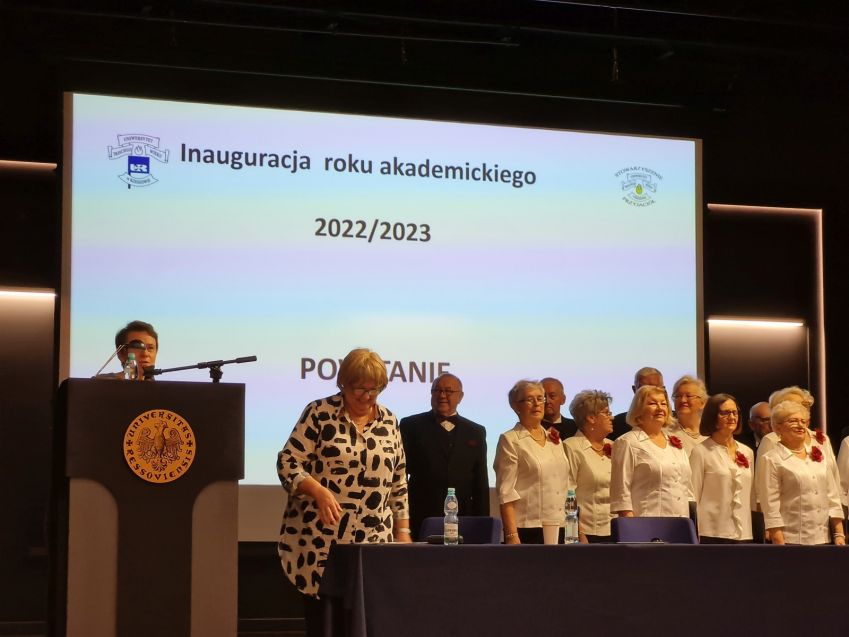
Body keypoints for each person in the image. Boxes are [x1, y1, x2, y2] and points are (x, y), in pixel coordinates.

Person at [276, 348, 410, 636]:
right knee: (328, 626)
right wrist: (318, 491)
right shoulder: (319, 413)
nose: (365, 396)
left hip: (374, 545)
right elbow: (288, 462)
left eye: (373, 390)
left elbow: (398, 481)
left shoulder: (389, 421)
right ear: (343, 383)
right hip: (323, 546)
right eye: (358, 388)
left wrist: (403, 532)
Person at [399, 373, 489, 541]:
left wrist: (483, 526)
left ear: (460, 396)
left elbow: (481, 482)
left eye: (448, 391)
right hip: (420, 516)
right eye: (437, 390)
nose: (442, 395)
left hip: (463, 519)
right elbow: (400, 475)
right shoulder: (410, 426)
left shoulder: (475, 431)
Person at [756, 400, 844, 545]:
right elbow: (771, 507)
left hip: (824, 539)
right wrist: (779, 542)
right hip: (791, 541)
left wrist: (839, 534)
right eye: (793, 421)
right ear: (778, 427)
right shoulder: (772, 459)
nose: (800, 425)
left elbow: (832, 496)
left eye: (803, 421)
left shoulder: (819, 455)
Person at [494, 380, 571, 544]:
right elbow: (506, 493)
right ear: (516, 406)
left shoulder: (554, 438)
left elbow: (565, 485)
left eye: (540, 398)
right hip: (529, 528)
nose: (537, 404)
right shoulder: (510, 440)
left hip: (562, 526)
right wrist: (511, 535)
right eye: (530, 399)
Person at [610, 384, 693, 517]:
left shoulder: (674, 443)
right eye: (653, 403)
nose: (660, 408)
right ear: (639, 409)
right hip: (647, 523)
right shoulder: (627, 442)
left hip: (681, 522)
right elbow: (621, 494)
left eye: (663, 404)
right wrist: (631, 526)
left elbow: (687, 489)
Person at [689, 393, 755, 543]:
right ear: (712, 416)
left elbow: (751, 496)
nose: (732, 417)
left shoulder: (747, 452)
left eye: (734, 412)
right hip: (712, 532)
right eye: (725, 413)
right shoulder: (701, 452)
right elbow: (693, 495)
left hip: (744, 533)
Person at [564, 389, 615, 542]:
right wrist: (576, 534)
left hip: (616, 530)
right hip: (586, 533)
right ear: (591, 418)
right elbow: (567, 495)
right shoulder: (571, 447)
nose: (612, 417)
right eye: (606, 413)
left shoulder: (615, 446)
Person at [610, 367, 664, 440]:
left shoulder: (676, 422)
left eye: (654, 388)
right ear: (634, 389)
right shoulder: (618, 424)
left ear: (663, 390)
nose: (649, 393)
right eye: (643, 388)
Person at [665, 375, 708, 455]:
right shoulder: (665, 432)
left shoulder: (712, 433)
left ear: (703, 403)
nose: (683, 400)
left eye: (688, 396)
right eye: (678, 396)